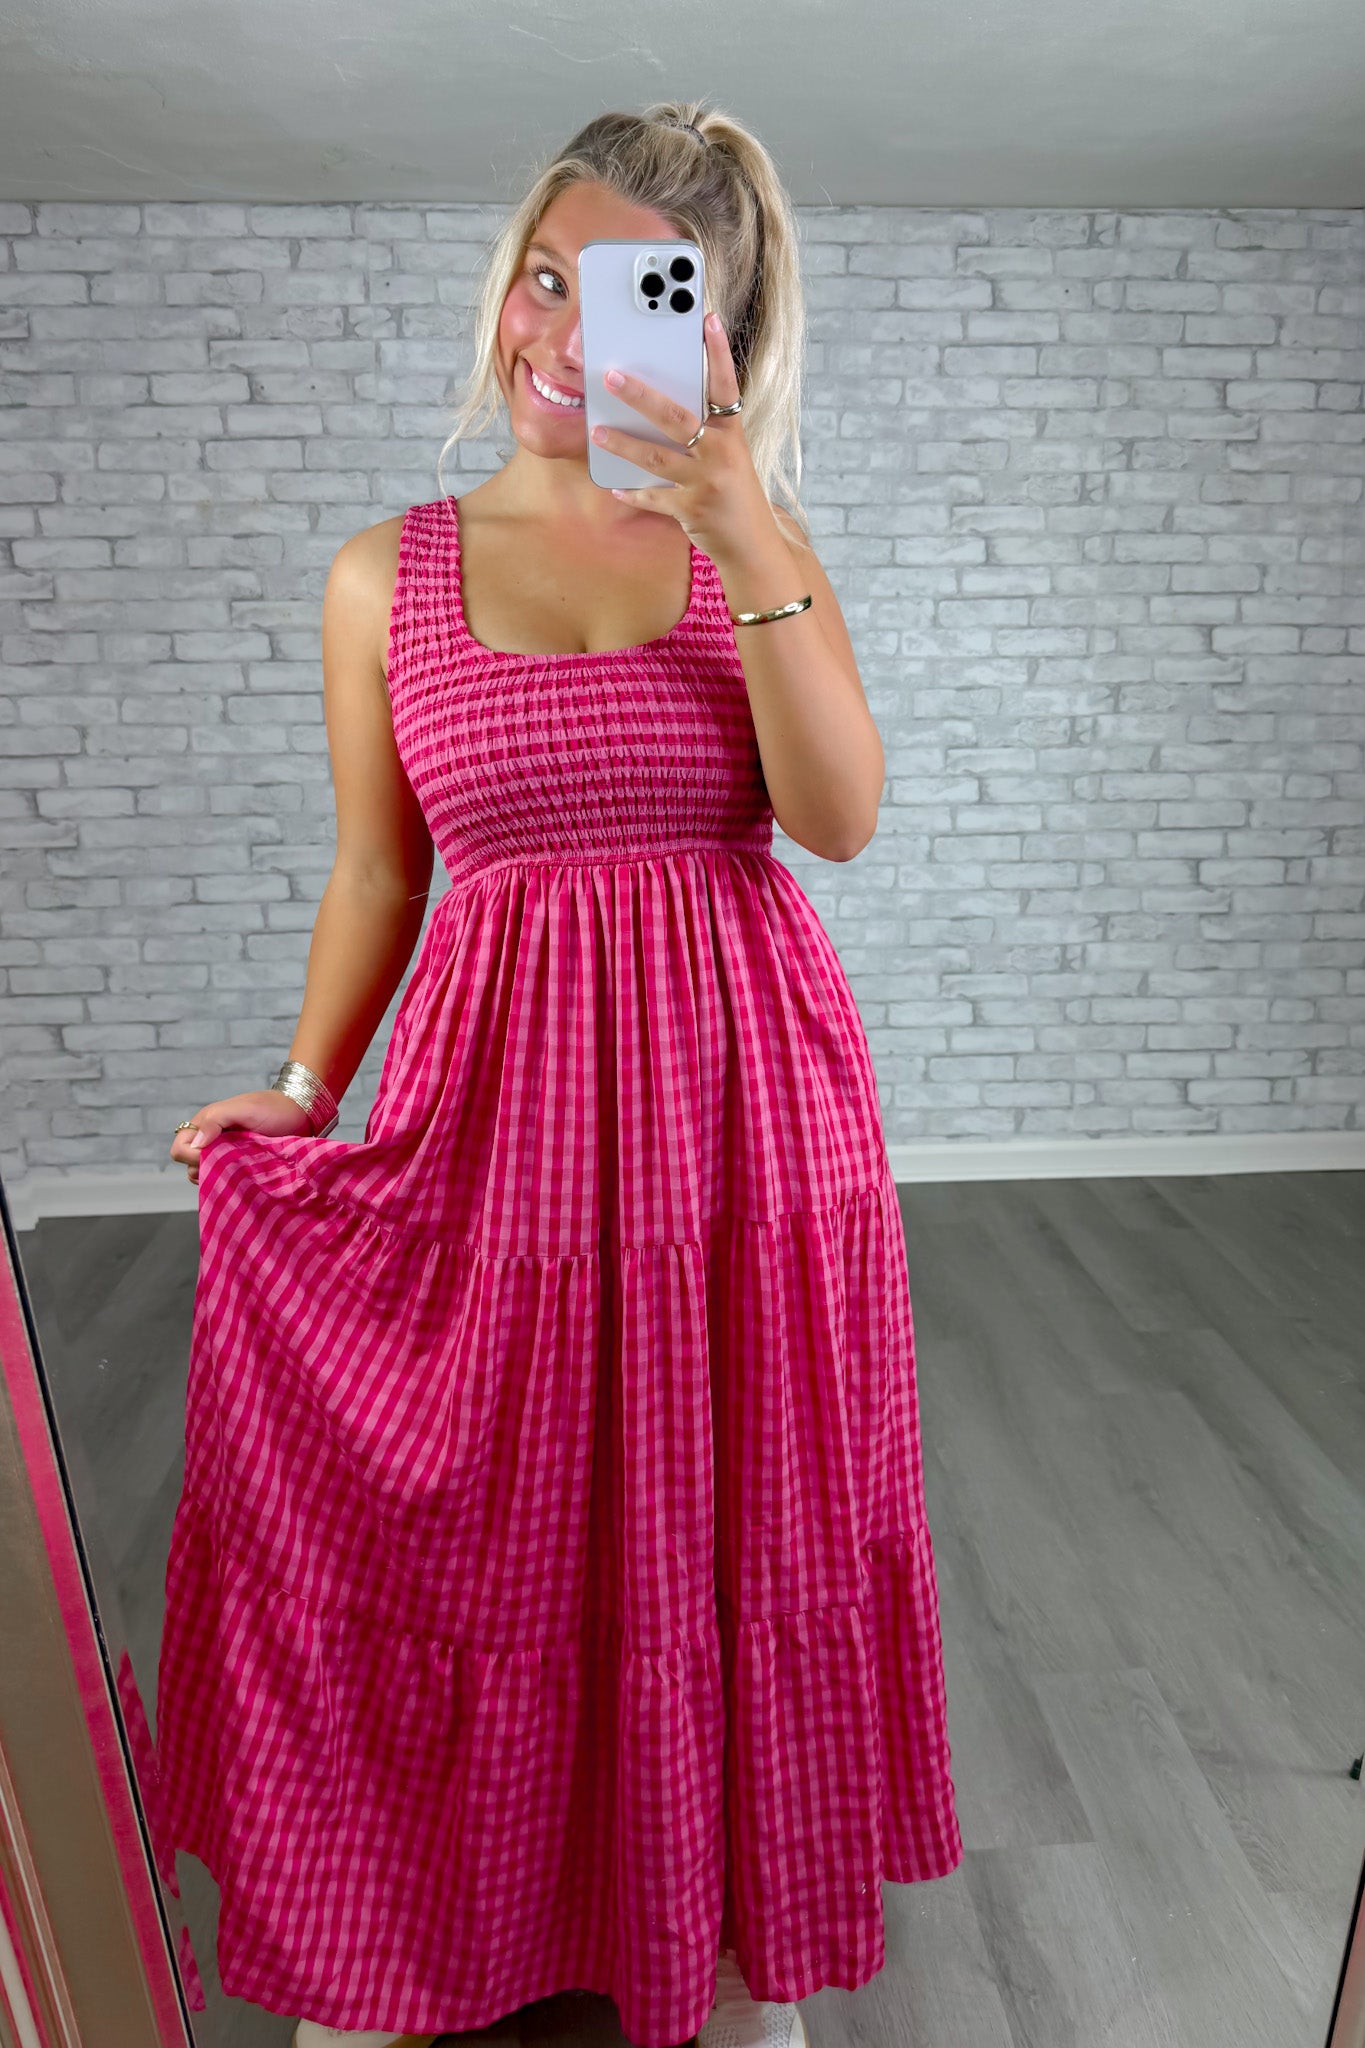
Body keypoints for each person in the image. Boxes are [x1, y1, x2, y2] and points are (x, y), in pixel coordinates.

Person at [155, 98, 963, 2048]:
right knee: (488, 1519)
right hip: (495, 1119)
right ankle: (428, 1919)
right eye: (541, 275)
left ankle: (714, 1940)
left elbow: (835, 820)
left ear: (712, 339)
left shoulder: (756, 556)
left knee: (729, 1532)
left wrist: (742, 525)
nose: (553, 329)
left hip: (747, 1132)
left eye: (620, 299)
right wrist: (303, 1086)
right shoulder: (387, 575)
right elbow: (380, 869)